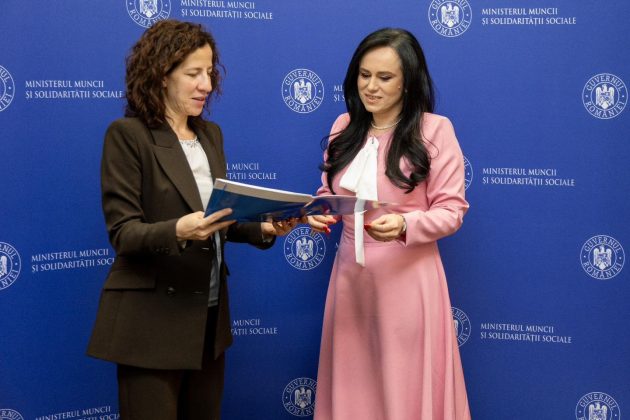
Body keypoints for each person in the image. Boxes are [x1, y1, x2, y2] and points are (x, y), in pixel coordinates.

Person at [87, 19, 295, 419]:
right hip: (150, 322)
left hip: (208, 318)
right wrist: (181, 230)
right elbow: (124, 233)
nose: (206, 84)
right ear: (161, 75)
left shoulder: (211, 135)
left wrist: (265, 228)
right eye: (193, 73)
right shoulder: (127, 135)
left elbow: (219, 218)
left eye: (210, 72)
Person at [307, 28, 471, 419]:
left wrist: (404, 226)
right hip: (350, 279)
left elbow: (452, 210)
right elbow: (331, 190)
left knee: (403, 386)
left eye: (384, 77)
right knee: (353, 386)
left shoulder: (435, 130)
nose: (371, 87)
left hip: (408, 280)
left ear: (408, 82)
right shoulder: (343, 125)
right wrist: (320, 210)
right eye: (364, 75)